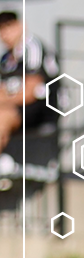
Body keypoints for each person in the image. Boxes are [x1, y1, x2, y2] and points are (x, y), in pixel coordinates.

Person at [0, 10, 57, 171]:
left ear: (21, 26)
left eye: (9, 27)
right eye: (1, 29)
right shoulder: (5, 59)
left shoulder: (32, 47)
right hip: (17, 108)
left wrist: (4, 100)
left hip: (41, 108)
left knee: (2, 116)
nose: (5, 33)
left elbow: (30, 92)